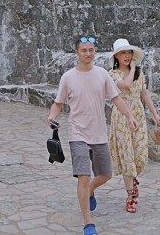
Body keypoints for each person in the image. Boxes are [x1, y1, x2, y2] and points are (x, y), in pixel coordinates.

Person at [47, 36, 139, 235]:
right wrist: (52, 117)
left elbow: (116, 98)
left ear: (94, 51)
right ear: (77, 53)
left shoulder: (102, 75)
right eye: (84, 50)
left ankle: (90, 190)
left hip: (99, 134)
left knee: (106, 174)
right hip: (77, 133)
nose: (88, 53)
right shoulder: (68, 77)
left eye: (91, 50)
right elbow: (58, 103)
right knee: (83, 175)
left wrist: (130, 115)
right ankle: (88, 223)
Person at [107, 38, 160, 214]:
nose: (127, 55)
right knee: (127, 158)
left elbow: (144, 94)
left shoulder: (140, 74)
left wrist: (155, 114)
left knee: (140, 156)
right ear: (116, 55)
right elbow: (126, 85)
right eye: (123, 52)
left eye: (129, 52)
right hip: (122, 118)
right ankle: (130, 195)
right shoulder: (112, 74)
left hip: (138, 117)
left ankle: (133, 180)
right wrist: (131, 69)